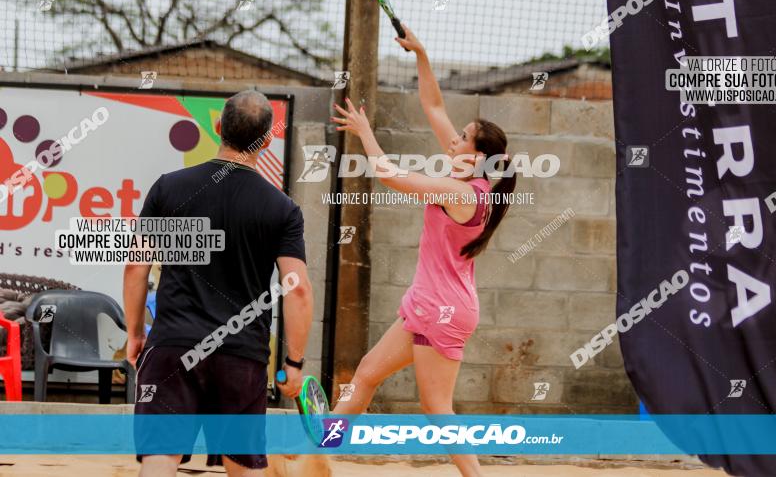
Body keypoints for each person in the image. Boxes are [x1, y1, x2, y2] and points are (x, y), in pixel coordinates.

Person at [326, 25, 516, 477]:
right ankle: (318, 448)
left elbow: (389, 176)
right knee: (368, 373)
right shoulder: (475, 178)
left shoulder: (462, 191)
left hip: (444, 309)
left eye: (462, 137)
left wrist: (364, 132)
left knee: (437, 410)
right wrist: (422, 55)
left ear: (476, 154)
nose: (452, 139)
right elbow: (433, 105)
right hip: (432, 303)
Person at [123, 90, 313, 477]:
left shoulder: (168, 188)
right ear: (268, 140)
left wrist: (134, 335)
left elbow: (135, 266)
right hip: (241, 354)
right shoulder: (282, 209)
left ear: (217, 126)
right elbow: (298, 289)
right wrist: (293, 362)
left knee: (160, 457)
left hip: (173, 345)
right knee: (242, 465)